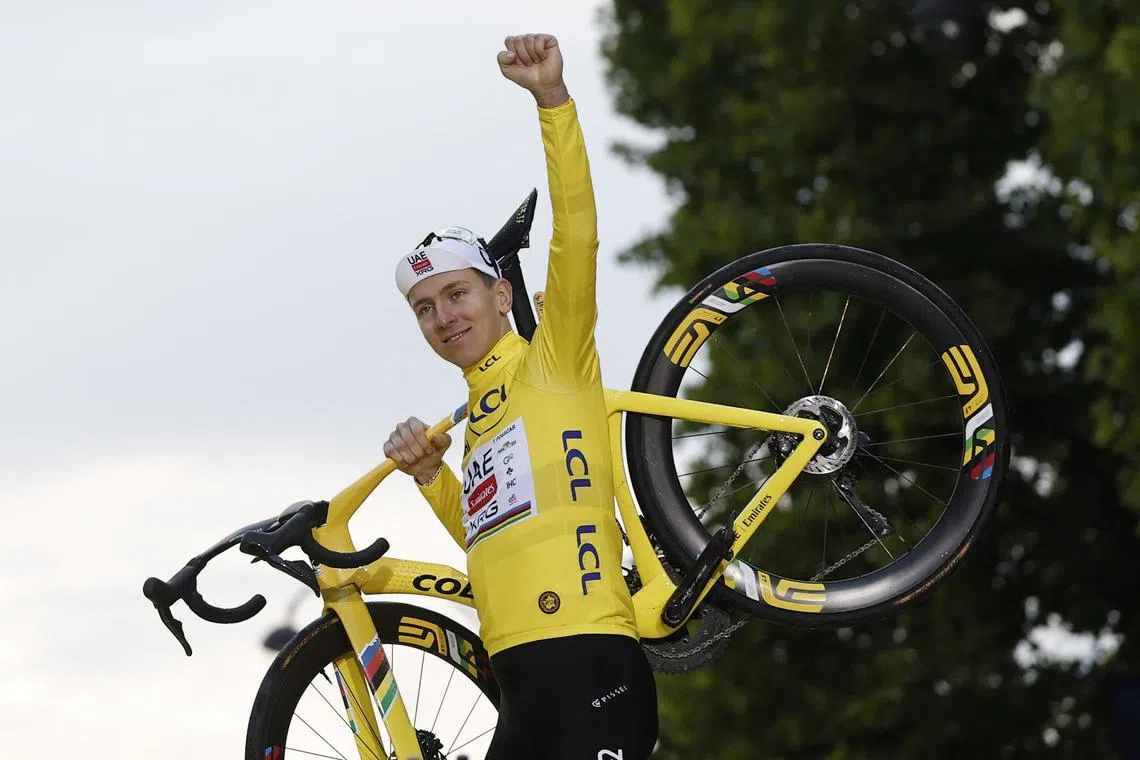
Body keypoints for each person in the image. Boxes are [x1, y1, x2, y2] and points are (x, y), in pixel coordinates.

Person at [383, 32, 658, 760]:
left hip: (592, 662)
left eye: (457, 294)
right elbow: (488, 544)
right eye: (425, 308)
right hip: (519, 687)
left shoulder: (554, 361)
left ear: (501, 294)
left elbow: (578, 237)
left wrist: (552, 103)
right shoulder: (476, 418)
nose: (444, 317)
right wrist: (429, 476)